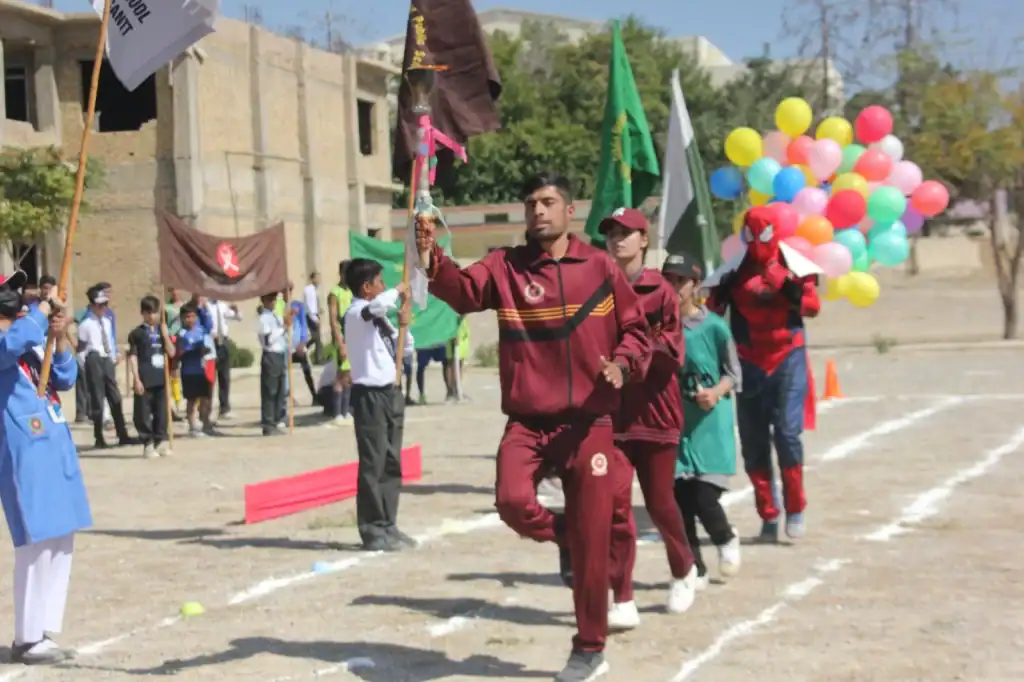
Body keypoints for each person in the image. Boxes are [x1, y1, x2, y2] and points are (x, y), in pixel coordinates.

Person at [418, 172, 651, 682]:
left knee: (593, 550)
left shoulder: (600, 268)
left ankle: (589, 649)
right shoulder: (504, 265)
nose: (538, 211)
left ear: (570, 212)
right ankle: (569, 536)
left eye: (548, 202)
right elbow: (461, 292)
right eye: (530, 203)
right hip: (527, 422)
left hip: (590, 425)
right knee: (511, 501)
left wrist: (624, 364)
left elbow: (637, 331)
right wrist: (431, 257)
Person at [599, 208, 697, 630]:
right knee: (616, 506)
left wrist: (625, 357)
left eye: (627, 233)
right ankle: (622, 596)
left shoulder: (661, 292)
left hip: (655, 414)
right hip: (613, 417)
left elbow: (672, 355)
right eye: (612, 233)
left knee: (659, 504)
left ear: (644, 240)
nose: (618, 239)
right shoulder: (596, 288)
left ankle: (683, 569)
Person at [705, 205, 821, 541]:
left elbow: (812, 307)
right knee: (754, 444)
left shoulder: (794, 266)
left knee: (786, 435)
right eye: (750, 233)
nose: (757, 240)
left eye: (763, 232)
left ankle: (795, 507)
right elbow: (712, 310)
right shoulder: (735, 272)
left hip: (787, 356)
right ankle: (769, 514)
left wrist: (785, 282)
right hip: (748, 361)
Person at [0, 274, 91, 665]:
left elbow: (66, 378)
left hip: (53, 444)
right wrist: (38, 314)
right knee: (35, 542)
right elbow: (9, 345)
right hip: (24, 451)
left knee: (59, 535)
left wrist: (58, 336)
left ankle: (43, 628)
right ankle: (26, 636)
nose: (18, 298)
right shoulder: (11, 341)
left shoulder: (30, 339)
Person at [662, 252, 742, 588]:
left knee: (703, 497)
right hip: (675, 425)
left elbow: (733, 373)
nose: (674, 287)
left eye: (681, 280)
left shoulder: (714, 327)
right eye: (669, 279)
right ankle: (695, 567)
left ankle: (725, 538)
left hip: (709, 425)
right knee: (678, 501)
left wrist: (717, 391)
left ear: (695, 286)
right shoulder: (658, 327)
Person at [343, 258, 414, 552]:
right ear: (367, 287)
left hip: (390, 392)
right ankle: (372, 529)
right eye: (380, 282)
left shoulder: (380, 319)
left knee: (391, 460)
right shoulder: (356, 312)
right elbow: (375, 308)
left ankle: (389, 523)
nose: (383, 286)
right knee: (373, 462)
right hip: (369, 395)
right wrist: (398, 290)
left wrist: (404, 324)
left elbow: (405, 348)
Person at [78, 285, 132, 448]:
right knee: (97, 399)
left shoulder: (107, 321)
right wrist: (84, 364)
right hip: (93, 359)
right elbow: (81, 348)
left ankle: (122, 434)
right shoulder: (85, 324)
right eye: (100, 305)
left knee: (114, 396)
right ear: (93, 305)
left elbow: (109, 340)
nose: (103, 308)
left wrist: (113, 355)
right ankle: (98, 437)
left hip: (106, 359)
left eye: (105, 305)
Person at [127, 295, 176, 458]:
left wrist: (165, 335)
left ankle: (160, 441)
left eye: (155, 312)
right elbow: (133, 356)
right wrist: (136, 378)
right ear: (143, 313)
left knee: (162, 412)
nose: (153, 316)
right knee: (142, 413)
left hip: (161, 379)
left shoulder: (162, 332)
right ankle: (147, 443)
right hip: (144, 378)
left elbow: (172, 352)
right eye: (149, 313)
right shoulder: (137, 333)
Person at [175, 302, 216, 437]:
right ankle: (192, 426)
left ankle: (205, 423)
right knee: (191, 400)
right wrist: (194, 349)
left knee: (205, 398)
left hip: (201, 369)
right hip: (188, 370)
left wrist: (204, 308)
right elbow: (182, 350)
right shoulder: (181, 333)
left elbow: (209, 327)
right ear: (182, 318)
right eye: (187, 317)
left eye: (193, 316)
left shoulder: (201, 330)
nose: (190, 319)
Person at [258, 292, 291, 436]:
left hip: (280, 354)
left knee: (280, 391)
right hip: (270, 354)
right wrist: (283, 327)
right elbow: (268, 340)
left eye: (274, 299)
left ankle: (277, 420)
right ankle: (268, 423)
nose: (273, 302)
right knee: (270, 391)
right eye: (270, 299)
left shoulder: (275, 315)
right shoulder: (263, 318)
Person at [204, 298, 241, 421]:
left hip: (223, 341)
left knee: (224, 376)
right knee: (210, 377)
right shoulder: (205, 305)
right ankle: (206, 409)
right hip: (211, 340)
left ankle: (224, 407)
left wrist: (236, 310)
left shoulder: (223, 305)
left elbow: (238, 318)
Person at [328, 261, 353, 421]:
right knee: (340, 375)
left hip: (351, 336)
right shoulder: (334, 293)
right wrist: (340, 342)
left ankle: (346, 410)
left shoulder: (351, 292)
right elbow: (333, 319)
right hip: (341, 338)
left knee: (349, 376)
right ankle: (337, 412)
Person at [445, 315, 470, 403]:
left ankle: (458, 389)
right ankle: (451, 391)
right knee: (452, 365)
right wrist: (454, 334)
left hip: (462, 338)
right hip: (454, 337)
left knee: (459, 365)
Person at [303, 271, 322, 363]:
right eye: (317, 278)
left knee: (317, 338)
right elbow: (309, 306)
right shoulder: (309, 290)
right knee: (315, 337)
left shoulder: (315, 289)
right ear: (312, 278)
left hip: (315, 314)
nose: (319, 280)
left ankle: (318, 359)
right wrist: (315, 318)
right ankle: (304, 348)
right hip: (311, 315)